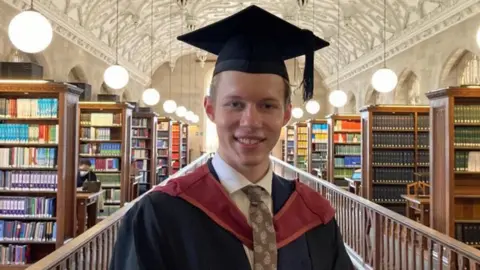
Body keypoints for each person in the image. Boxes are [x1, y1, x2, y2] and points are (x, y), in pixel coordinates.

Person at [109, 5, 353, 270]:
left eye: (267, 105)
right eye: (235, 104)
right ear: (210, 109)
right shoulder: (159, 214)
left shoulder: (313, 213)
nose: (250, 122)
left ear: (286, 115)